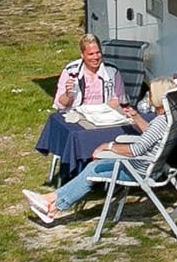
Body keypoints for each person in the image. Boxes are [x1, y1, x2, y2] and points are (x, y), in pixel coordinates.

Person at [25, 81, 177, 225]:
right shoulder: (169, 118)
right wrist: (136, 116)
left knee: (93, 170)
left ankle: (52, 203)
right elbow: (151, 134)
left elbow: (135, 150)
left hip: (140, 170)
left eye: (151, 93)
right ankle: (51, 206)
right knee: (94, 167)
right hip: (153, 166)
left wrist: (109, 146)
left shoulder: (159, 122)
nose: (149, 95)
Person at [34, 37, 135, 178]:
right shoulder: (71, 72)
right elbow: (60, 104)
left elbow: (119, 99)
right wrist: (68, 95)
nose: (96, 57)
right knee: (77, 135)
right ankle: (78, 174)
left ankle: (108, 172)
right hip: (77, 116)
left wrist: (100, 110)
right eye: (91, 54)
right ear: (82, 55)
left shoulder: (112, 71)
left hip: (103, 117)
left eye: (98, 53)